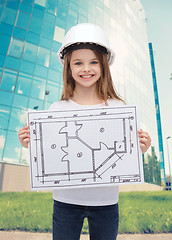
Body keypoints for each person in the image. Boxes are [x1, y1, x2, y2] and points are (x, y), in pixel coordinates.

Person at [18, 23, 151, 240]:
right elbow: (49, 155)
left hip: (106, 202)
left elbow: (126, 153)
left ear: (104, 66)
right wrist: (30, 144)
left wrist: (141, 147)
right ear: (68, 67)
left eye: (93, 62)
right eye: (78, 63)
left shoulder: (118, 108)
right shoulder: (57, 110)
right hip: (65, 202)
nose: (86, 69)